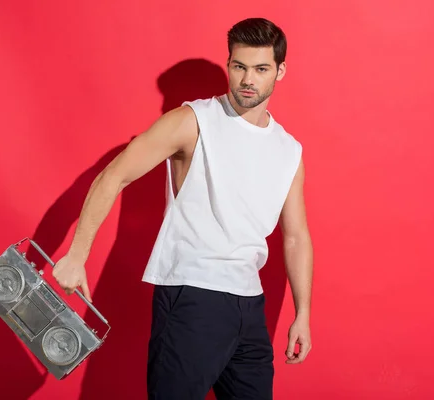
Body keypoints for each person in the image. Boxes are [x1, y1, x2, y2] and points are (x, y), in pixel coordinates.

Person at [52, 17, 314, 400]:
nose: (247, 80)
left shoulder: (288, 150)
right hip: (193, 293)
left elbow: (296, 236)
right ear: (228, 64)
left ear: (280, 70)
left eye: (260, 69)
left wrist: (302, 313)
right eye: (239, 67)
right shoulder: (193, 121)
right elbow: (114, 175)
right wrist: (77, 255)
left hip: (249, 305)